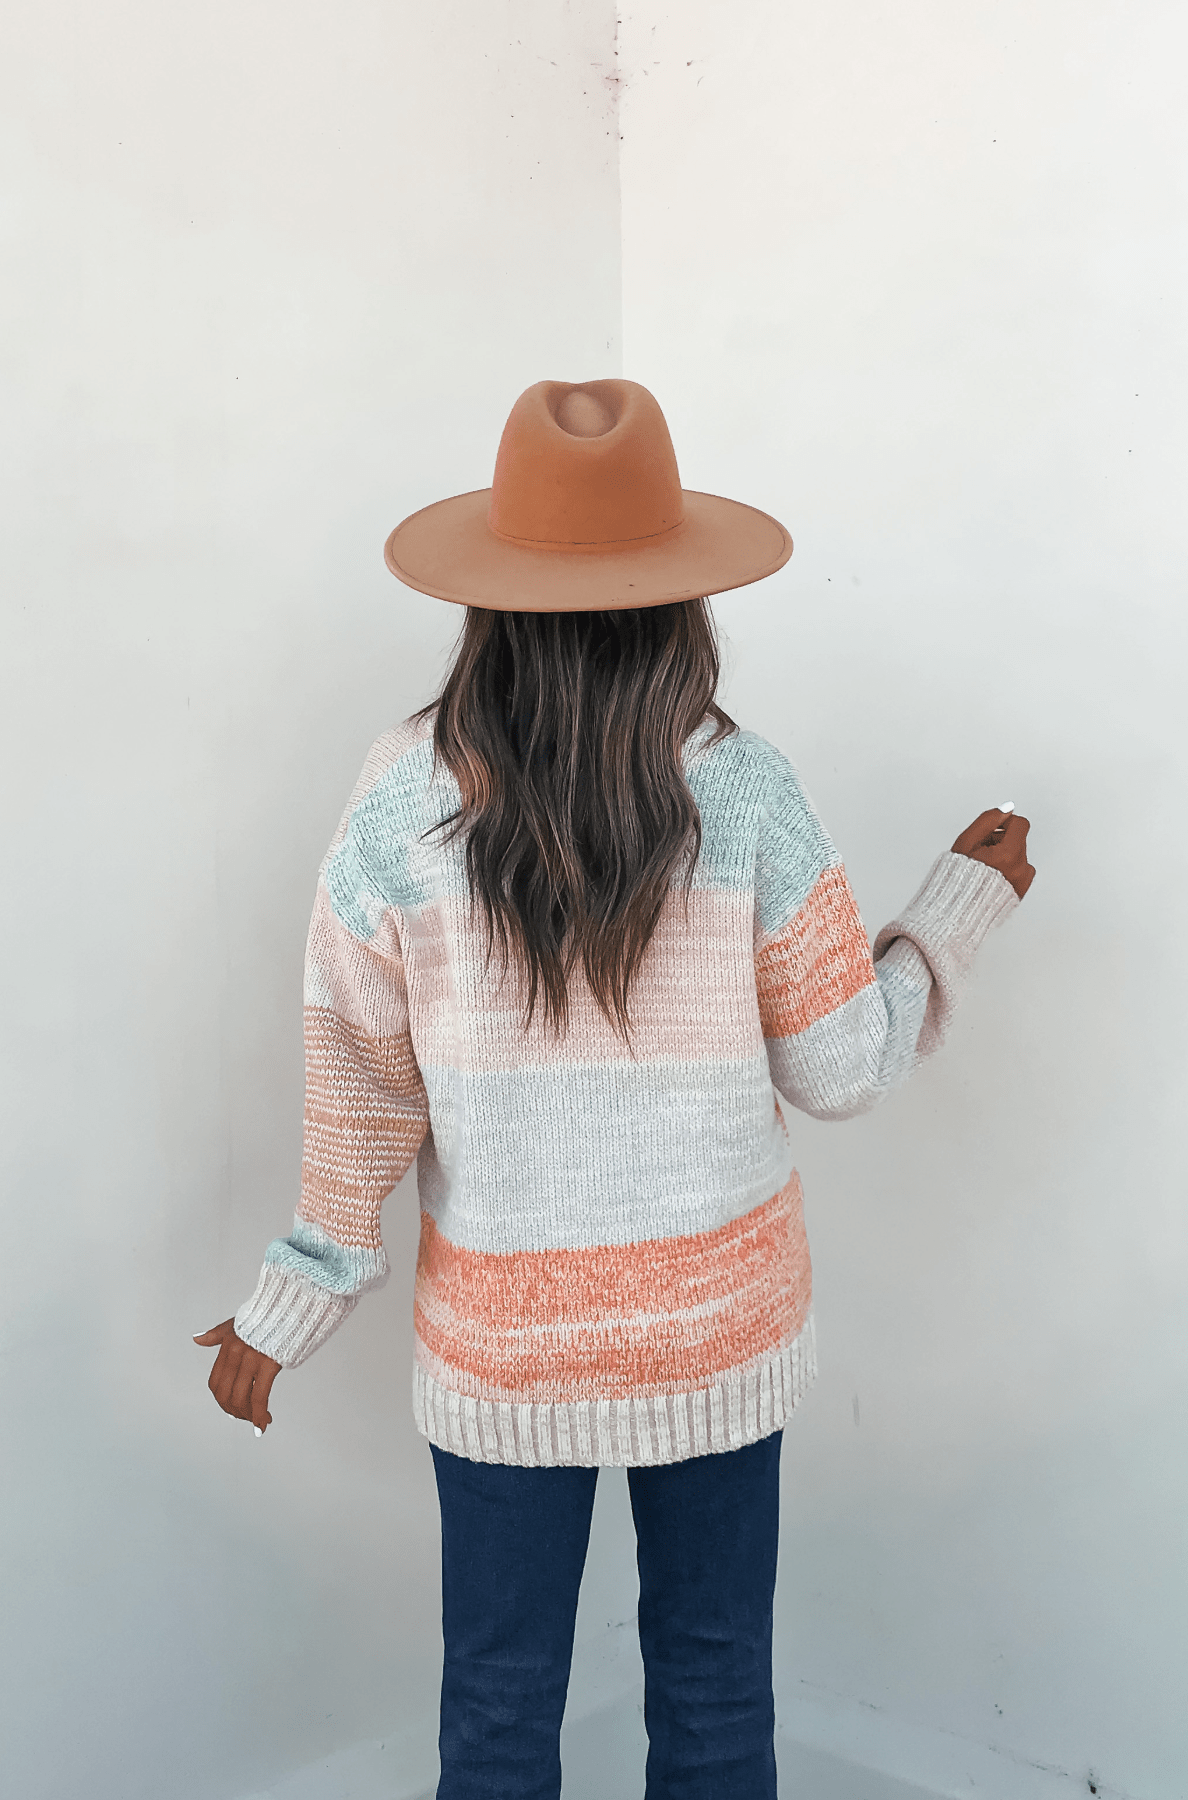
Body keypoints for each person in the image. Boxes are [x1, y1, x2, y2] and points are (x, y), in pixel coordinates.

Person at [195, 379, 1034, 1800]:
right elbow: (837, 1071)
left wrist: (293, 1303)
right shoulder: (751, 790)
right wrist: (952, 917)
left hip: (504, 1350)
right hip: (720, 1332)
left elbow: (357, 1080)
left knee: (499, 1708)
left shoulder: (402, 797)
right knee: (714, 1690)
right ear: (682, 594)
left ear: (489, 596)